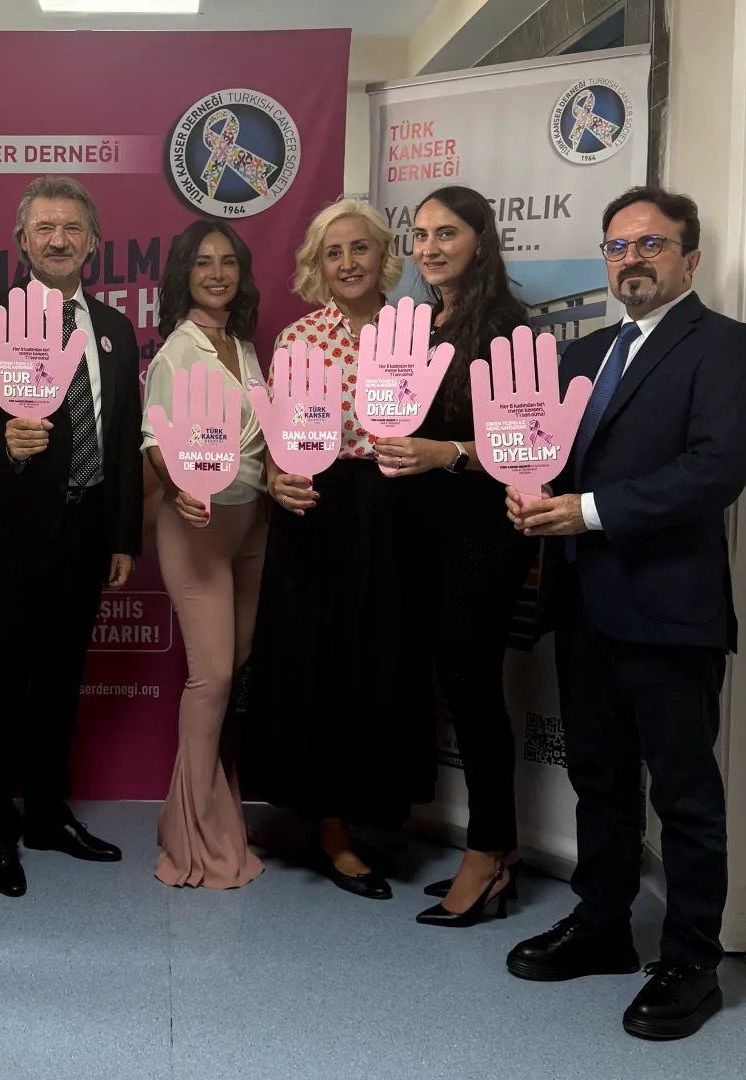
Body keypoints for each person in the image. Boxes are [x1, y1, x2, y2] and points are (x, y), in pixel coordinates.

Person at [506, 187, 746, 1040]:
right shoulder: (583, 355)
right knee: (600, 780)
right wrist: (530, 493)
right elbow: (553, 459)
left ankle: (692, 959)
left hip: (669, 610)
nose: (632, 260)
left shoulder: (728, 347)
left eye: (651, 245)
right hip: (585, 604)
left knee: (685, 794)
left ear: (690, 258)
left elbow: (715, 469)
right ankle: (603, 926)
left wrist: (584, 511)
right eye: (617, 247)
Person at [0, 175, 141, 897]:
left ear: (93, 242)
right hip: (6, 530)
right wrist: (3, 440)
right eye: (45, 228)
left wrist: (123, 535)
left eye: (72, 228)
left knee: (61, 683)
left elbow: (123, 440)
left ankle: (49, 816)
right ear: (22, 242)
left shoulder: (114, 329)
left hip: (85, 530)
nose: (59, 240)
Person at [239, 198, 418, 899]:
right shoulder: (298, 339)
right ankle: (331, 830)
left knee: (381, 664)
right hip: (316, 515)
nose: (347, 263)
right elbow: (278, 440)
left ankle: (373, 807)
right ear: (318, 265)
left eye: (359, 248)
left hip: (394, 513)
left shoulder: (416, 332)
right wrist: (276, 479)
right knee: (321, 670)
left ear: (382, 255)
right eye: (333, 252)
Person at [373, 185, 536, 928]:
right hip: (424, 532)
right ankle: (499, 847)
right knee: (456, 689)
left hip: (480, 537)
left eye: (447, 233)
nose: (430, 247)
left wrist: (447, 453)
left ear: (480, 240)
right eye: (421, 234)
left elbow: (526, 443)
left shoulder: (505, 324)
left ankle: (488, 853)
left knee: (473, 696)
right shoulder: (420, 323)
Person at [142, 221, 267, 890]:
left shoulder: (242, 348)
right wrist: (177, 485)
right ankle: (191, 835)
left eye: (228, 263)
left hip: (253, 524)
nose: (217, 274)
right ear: (184, 275)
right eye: (203, 263)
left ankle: (208, 808)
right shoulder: (177, 352)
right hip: (198, 526)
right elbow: (153, 440)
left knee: (234, 666)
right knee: (211, 677)